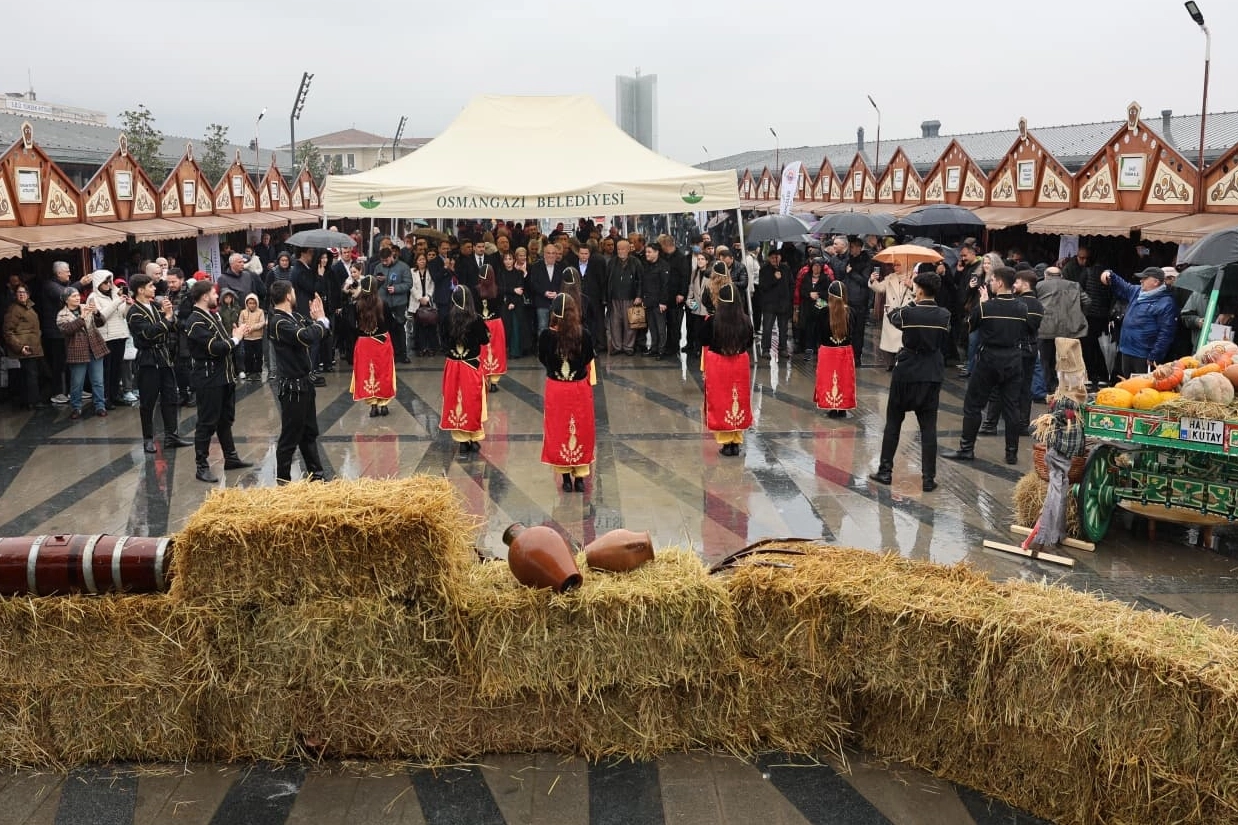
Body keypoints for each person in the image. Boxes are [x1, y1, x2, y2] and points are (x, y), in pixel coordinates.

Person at [869, 270, 953, 491]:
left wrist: (911, 302)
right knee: (928, 428)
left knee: (893, 423)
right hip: (931, 372)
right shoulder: (944, 315)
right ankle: (928, 479)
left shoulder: (908, 313)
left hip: (907, 372)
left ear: (920, 291)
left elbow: (893, 317)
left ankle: (885, 471)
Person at [943, 266, 1032, 466]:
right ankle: (1011, 453)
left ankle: (967, 449)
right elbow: (1027, 331)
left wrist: (982, 304)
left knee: (973, 405)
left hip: (989, 359)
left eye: (992, 280)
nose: (990, 283)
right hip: (1013, 359)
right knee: (1011, 407)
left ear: (999, 283)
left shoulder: (986, 307)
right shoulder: (1022, 308)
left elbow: (969, 326)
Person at [184, 279, 253, 482]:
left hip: (223, 376)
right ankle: (201, 466)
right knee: (206, 423)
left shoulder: (212, 315)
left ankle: (230, 457)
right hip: (209, 379)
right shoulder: (195, 321)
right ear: (205, 296)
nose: (217, 296)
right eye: (214, 293)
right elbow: (216, 348)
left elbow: (225, 342)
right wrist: (236, 338)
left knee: (224, 420)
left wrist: (236, 334)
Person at [267, 279, 330, 483]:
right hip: (292, 387)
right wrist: (321, 321)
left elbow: (316, 332)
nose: (295, 295)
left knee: (308, 432)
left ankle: (317, 476)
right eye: (293, 292)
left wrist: (319, 319)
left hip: (304, 383)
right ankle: (283, 481)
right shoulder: (278, 322)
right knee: (290, 436)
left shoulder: (293, 316)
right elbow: (306, 336)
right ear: (288, 295)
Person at [126, 273, 192, 453]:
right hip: (148, 359)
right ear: (140, 290)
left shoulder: (155, 306)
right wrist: (167, 319)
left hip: (164, 357)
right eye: (150, 286)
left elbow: (173, 326)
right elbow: (148, 333)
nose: (154, 288)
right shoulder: (134, 312)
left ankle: (172, 436)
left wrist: (171, 316)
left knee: (170, 397)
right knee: (148, 401)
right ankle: (148, 438)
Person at [539, 293, 597, 491]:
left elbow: (542, 358)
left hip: (556, 389)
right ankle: (579, 478)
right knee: (581, 429)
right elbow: (588, 358)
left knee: (559, 430)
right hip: (578, 389)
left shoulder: (546, 336)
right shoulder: (584, 335)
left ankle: (565, 478)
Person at [980, 270, 1044, 437]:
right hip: (1031, 350)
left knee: (999, 387)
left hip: (1014, 350)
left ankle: (990, 424)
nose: (1014, 285)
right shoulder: (1038, 305)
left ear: (1025, 284)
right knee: (1025, 389)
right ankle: (1022, 424)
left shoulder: (1018, 303)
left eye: (1017, 282)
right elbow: (1033, 327)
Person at [699, 282, 754, 456]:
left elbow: (703, 340)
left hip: (718, 365)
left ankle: (725, 443)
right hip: (739, 363)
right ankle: (736, 441)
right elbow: (749, 342)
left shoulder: (713, 321)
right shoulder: (746, 320)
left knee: (721, 400)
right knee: (738, 398)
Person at [1100, 266, 1179, 378]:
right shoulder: (1137, 291)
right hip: (1126, 350)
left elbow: (1166, 334)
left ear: (1156, 282)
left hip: (1144, 355)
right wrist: (1110, 274)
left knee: (1142, 386)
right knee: (1127, 383)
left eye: (1145, 278)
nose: (1141, 280)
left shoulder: (1167, 303)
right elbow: (1123, 285)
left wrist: (1155, 356)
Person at [440, 286, 490, 456]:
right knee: (474, 399)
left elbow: (442, 343)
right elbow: (485, 340)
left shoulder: (446, 319)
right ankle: (474, 438)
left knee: (455, 399)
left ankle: (462, 441)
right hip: (471, 366)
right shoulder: (476, 320)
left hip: (453, 366)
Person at [1034, 265, 1089, 397]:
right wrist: (1079, 315)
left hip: (1045, 329)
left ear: (1046, 276)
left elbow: (1033, 304)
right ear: (1061, 275)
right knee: (1068, 360)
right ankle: (1066, 388)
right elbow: (1087, 301)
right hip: (1069, 329)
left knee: (1045, 360)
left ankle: (1048, 387)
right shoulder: (1074, 285)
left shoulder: (1039, 286)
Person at [56, 288, 109, 420]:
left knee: (98, 381)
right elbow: (67, 329)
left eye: (78, 295)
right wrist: (81, 318)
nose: (77, 298)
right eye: (73, 296)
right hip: (77, 351)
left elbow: (101, 322)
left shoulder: (86, 307)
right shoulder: (62, 314)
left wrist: (96, 312)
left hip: (95, 348)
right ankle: (76, 407)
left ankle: (100, 406)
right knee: (77, 382)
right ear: (66, 299)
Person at [88, 270, 130, 409]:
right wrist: (117, 302)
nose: (108, 284)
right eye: (105, 282)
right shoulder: (93, 297)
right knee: (106, 370)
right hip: (105, 337)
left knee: (117, 368)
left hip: (120, 335)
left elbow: (123, 315)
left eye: (110, 281)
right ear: (98, 283)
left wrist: (128, 304)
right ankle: (105, 398)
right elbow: (101, 317)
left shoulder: (116, 293)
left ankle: (115, 395)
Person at [814, 280, 857, 418]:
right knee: (844, 379)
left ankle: (831, 407)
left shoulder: (823, 312)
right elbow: (854, 333)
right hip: (845, 351)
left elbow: (818, 333)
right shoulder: (851, 312)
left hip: (827, 351)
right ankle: (843, 408)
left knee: (828, 380)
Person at [3, 284, 44, 410]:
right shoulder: (14, 309)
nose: (21, 294)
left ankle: (32, 400)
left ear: (28, 294)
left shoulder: (29, 307)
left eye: (24, 292)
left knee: (32, 374)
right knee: (29, 376)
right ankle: (32, 402)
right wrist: (19, 347)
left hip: (33, 347)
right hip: (24, 348)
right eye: (19, 292)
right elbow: (7, 331)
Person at [869, 263, 915, 371]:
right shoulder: (890, 277)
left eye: (898, 265)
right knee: (891, 341)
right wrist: (872, 280)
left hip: (906, 313)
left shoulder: (913, 276)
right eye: (894, 265)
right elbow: (880, 288)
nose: (895, 267)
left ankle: (902, 363)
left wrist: (912, 286)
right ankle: (891, 363)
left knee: (903, 340)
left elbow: (919, 293)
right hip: (892, 313)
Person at [373, 246, 413, 363]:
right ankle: (388, 353)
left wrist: (396, 288)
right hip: (383, 303)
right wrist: (378, 281)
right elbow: (373, 283)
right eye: (382, 261)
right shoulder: (378, 267)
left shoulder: (403, 267)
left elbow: (409, 284)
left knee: (399, 327)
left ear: (392, 256)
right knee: (385, 329)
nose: (384, 263)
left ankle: (402, 354)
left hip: (398, 303)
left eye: (386, 260)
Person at [605, 239, 641, 355]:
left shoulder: (635, 262)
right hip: (614, 298)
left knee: (629, 323)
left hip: (630, 298)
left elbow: (640, 280)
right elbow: (607, 280)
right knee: (615, 323)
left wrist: (639, 296)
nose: (620, 251)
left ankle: (628, 347)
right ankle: (617, 346)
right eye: (618, 249)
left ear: (629, 249)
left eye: (623, 249)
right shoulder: (612, 262)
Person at [476, 263, 506, 391]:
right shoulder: (499, 291)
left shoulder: (475, 291)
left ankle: (483, 380)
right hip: (495, 324)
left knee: (482, 351)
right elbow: (501, 306)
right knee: (497, 351)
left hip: (480, 324)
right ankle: (494, 383)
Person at [758, 248, 792, 358]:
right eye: (772, 258)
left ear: (780, 258)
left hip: (783, 303)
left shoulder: (785, 269)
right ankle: (765, 349)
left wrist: (789, 299)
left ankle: (783, 348)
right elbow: (762, 286)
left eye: (776, 257)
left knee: (783, 329)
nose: (774, 260)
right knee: (767, 328)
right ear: (769, 258)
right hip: (769, 304)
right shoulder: (764, 269)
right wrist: (774, 278)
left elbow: (791, 284)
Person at [640, 244, 672, 358]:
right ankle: (653, 348)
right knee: (652, 327)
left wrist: (663, 302)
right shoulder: (646, 264)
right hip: (649, 301)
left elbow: (665, 285)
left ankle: (661, 350)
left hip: (659, 303)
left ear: (656, 252)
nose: (646, 254)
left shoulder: (664, 266)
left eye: (649, 252)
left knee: (660, 328)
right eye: (646, 252)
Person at [800, 258, 832, 362]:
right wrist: (809, 294)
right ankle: (808, 350)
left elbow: (828, 293)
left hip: (821, 309)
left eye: (818, 266)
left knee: (820, 330)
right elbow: (802, 291)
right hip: (808, 308)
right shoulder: (806, 277)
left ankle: (820, 351)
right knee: (808, 330)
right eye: (814, 266)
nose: (816, 268)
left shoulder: (826, 278)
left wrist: (818, 294)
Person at [528, 241, 562, 335]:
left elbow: (562, 284)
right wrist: (544, 292)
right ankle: (542, 345)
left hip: (556, 303)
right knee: (542, 328)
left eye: (553, 253)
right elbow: (533, 283)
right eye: (548, 253)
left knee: (556, 329)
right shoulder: (536, 267)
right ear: (544, 254)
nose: (551, 255)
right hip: (541, 302)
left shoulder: (560, 268)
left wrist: (557, 293)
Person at [239, 293, 266, 381]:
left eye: (254, 303)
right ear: (246, 303)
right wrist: (245, 328)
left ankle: (258, 372)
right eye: (250, 303)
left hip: (258, 338)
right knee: (248, 356)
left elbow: (262, 322)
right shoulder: (243, 312)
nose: (252, 305)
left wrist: (253, 328)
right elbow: (240, 323)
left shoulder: (260, 312)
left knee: (258, 355)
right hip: (247, 338)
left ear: (257, 303)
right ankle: (249, 371)